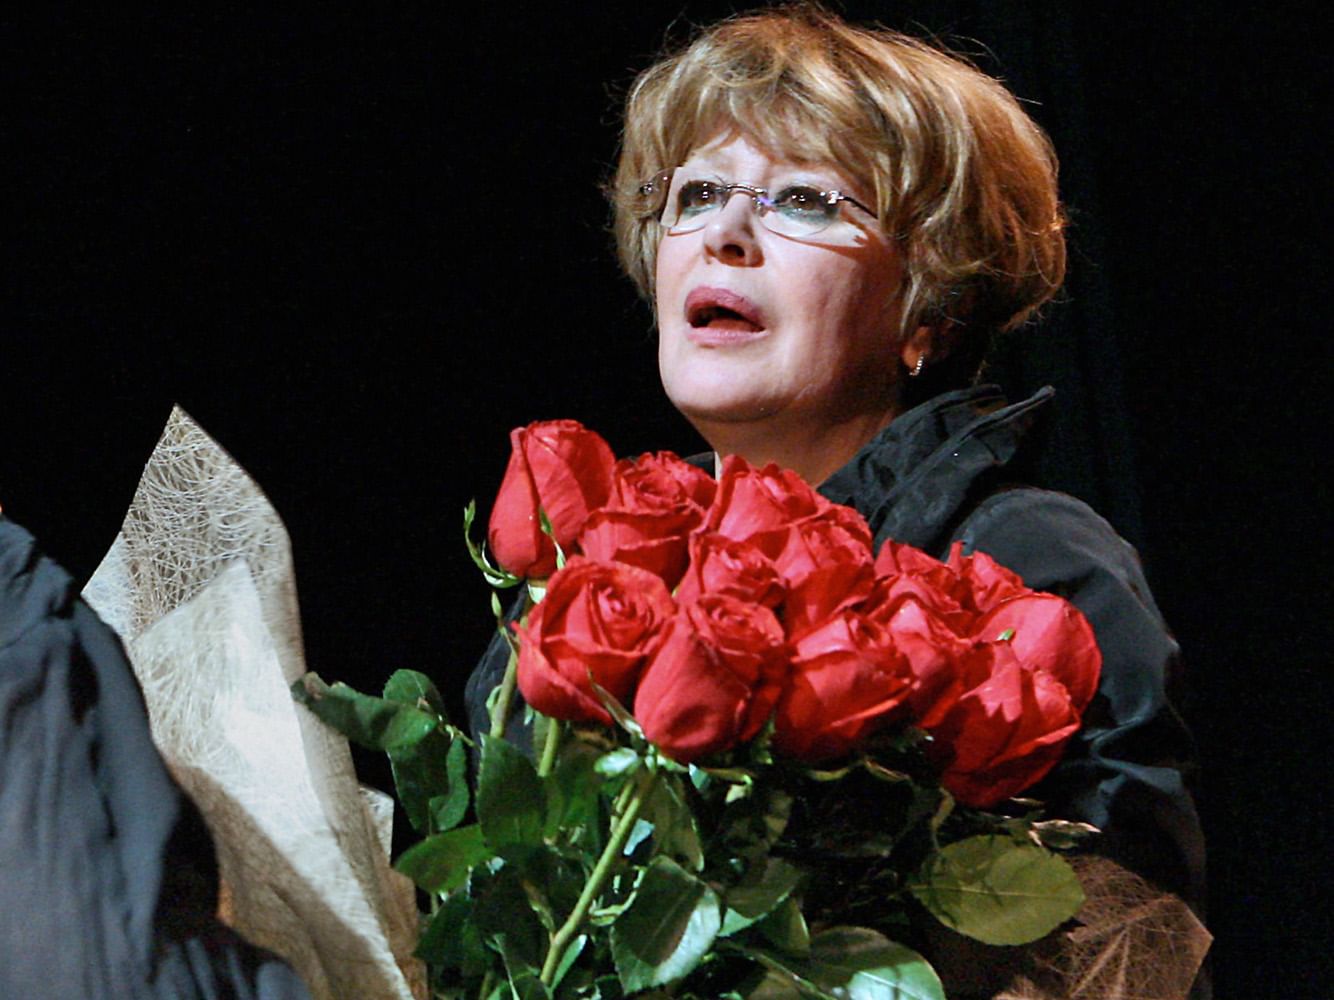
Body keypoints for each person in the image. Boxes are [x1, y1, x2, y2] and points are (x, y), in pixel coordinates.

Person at [467, 7, 1208, 997]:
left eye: (806, 201)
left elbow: (1122, 955)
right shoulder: (595, 570)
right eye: (697, 194)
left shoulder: (1026, 559)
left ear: (932, 305)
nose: (724, 236)